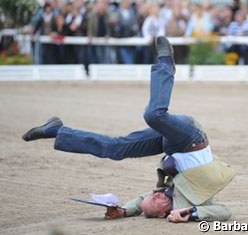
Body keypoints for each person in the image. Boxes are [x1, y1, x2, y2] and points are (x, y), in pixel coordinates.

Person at [22, 36, 236, 223]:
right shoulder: (192, 201)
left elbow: (142, 201)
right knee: (154, 115)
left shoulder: (159, 199)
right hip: (191, 137)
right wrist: (192, 213)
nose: (156, 195)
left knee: (115, 148)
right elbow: (224, 211)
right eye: (157, 201)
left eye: (152, 198)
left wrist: (125, 211)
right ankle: (166, 63)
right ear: (165, 213)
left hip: (170, 145)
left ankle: (58, 131)